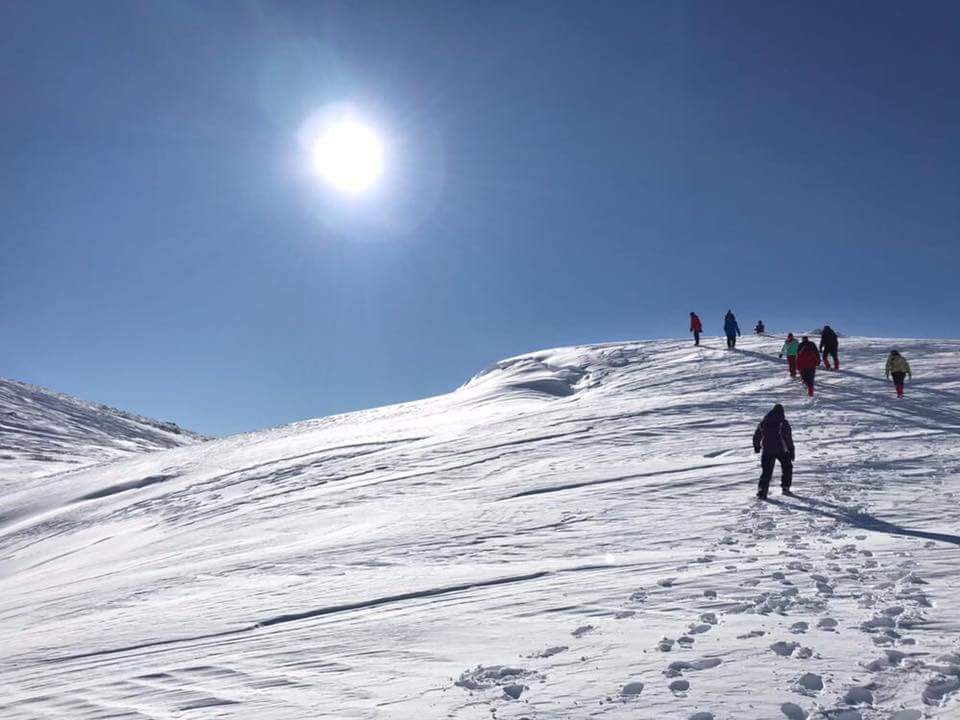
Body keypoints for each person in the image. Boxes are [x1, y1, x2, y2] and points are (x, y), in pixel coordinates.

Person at [752, 403, 795, 499]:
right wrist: (791, 450)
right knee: (787, 468)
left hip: (767, 450)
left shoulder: (764, 422)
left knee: (766, 471)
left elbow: (757, 435)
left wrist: (757, 446)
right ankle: (785, 487)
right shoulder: (783, 423)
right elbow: (788, 438)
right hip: (782, 450)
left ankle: (762, 491)